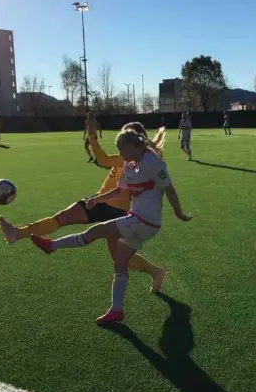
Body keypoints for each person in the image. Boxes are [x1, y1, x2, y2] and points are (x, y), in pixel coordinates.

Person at [30, 128, 192, 324]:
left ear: (135, 146)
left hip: (145, 221)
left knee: (99, 230)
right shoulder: (129, 165)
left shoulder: (152, 162)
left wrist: (179, 213)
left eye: (121, 149)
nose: (120, 154)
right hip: (138, 220)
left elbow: (169, 189)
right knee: (120, 263)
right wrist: (97, 200)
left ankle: (51, 246)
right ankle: (116, 310)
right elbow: (120, 192)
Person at [0, 122, 169, 292]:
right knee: (62, 218)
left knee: (119, 256)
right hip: (102, 202)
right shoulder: (132, 157)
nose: (120, 148)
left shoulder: (134, 159)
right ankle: (18, 233)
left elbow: (102, 160)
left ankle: (155, 271)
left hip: (116, 210)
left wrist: (92, 135)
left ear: (134, 143)